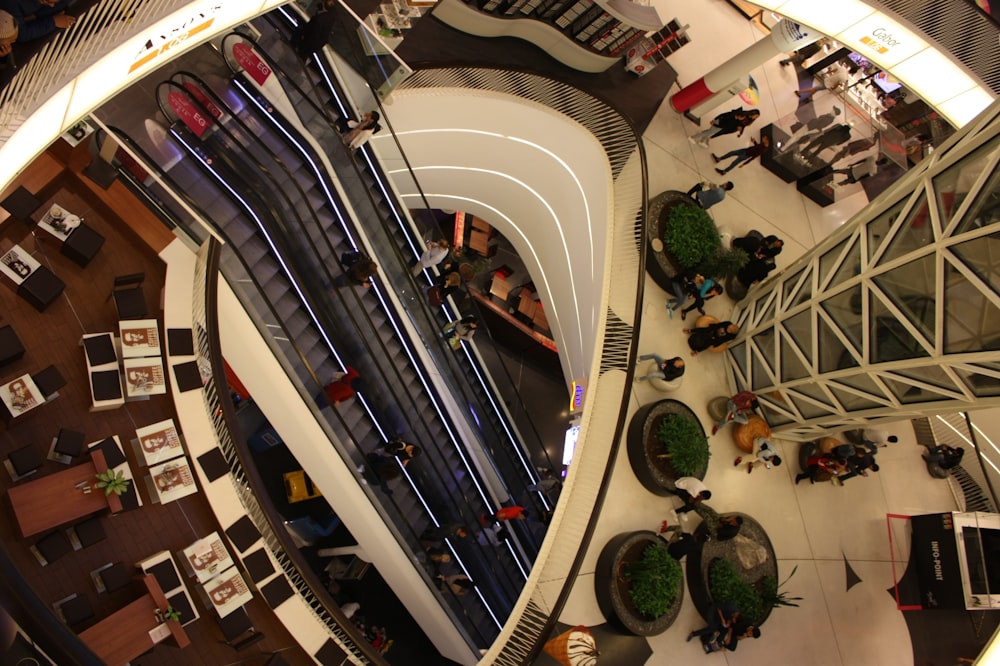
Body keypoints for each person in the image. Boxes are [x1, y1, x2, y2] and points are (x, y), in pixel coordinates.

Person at [0, 0, 74, 43]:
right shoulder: (11, 3)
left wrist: (37, 15)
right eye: (47, 1)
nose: (52, 5)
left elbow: (62, 3)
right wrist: (53, 21)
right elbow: (20, 34)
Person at [689, 108, 760, 147]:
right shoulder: (732, 117)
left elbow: (740, 125)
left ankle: (702, 141)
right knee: (708, 132)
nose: (755, 118)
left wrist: (740, 131)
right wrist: (714, 120)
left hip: (721, 125)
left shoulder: (737, 120)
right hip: (719, 124)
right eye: (756, 116)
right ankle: (693, 137)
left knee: (709, 132)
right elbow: (723, 115)